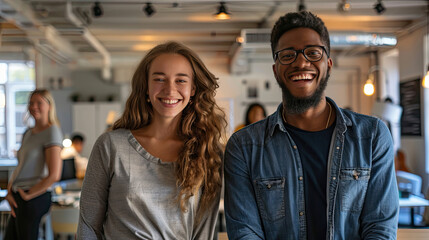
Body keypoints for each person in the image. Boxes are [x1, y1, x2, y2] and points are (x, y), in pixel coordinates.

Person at [224, 11, 398, 240]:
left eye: (313, 53)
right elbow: (245, 233)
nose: (301, 62)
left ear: (328, 64)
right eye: (288, 55)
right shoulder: (244, 146)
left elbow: (379, 228)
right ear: (276, 69)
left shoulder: (372, 136)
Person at [77, 41, 226, 239]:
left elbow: (204, 233)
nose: (169, 89)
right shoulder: (111, 146)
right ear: (145, 87)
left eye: (180, 80)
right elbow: (88, 226)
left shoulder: (208, 152)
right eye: (159, 79)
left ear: (193, 89)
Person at [5, 89, 63, 240]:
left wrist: (28, 196)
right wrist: (10, 191)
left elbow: (54, 175)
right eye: (31, 103)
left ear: (49, 106)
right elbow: (20, 166)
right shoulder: (28, 133)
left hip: (34, 196)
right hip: (19, 194)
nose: (33, 107)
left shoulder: (52, 131)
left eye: (39, 103)